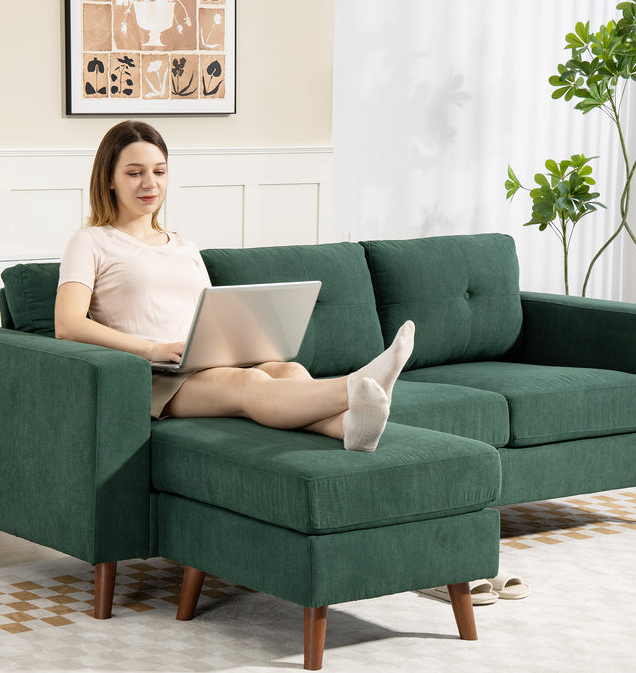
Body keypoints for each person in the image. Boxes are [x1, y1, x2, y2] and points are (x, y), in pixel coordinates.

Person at [55, 121, 414, 452]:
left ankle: (350, 428)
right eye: (135, 173)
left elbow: (211, 314)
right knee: (249, 384)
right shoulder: (90, 242)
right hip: (154, 377)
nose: (150, 184)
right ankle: (356, 384)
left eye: (159, 172)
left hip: (201, 362)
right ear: (109, 179)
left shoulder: (184, 246)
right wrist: (153, 349)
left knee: (289, 371)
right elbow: (68, 325)